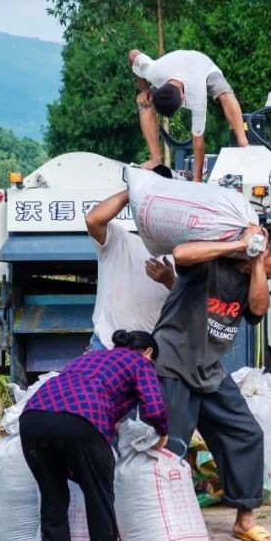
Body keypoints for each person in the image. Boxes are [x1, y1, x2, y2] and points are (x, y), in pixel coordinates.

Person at [153, 225, 271, 541]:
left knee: (247, 433)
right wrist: (238, 245)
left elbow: (258, 309)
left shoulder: (253, 281)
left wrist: (257, 261)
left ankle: (245, 520)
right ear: (267, 248)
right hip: (172, 365)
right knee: (171, 446)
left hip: (210, 371)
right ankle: (164, 523)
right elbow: (180, 254)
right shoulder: (211, 264)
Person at [19, 330, 169, 541]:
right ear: (148, 352)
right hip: (82, 421)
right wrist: (162, 432)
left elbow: (81, 391)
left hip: (33, 418)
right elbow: (154, 407)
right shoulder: (140, 362)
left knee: (53, 496)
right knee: (99, 495)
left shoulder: (88, 358)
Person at [128, 49, 248, 183]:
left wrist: (197, 180)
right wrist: (145, 89)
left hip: (204, 66)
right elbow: (133, 54)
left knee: (224, 93)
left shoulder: (197, 98)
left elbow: (198, 140)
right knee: (144, 103)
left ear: (182, 97)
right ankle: (156, 160)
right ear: (161, 87)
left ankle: (243, 142)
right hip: (175, 65)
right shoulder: (153, 72)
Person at [85, 188, 175, 351]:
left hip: (152, 351)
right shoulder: (119, 239)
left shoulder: (182, 254)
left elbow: (193, 301)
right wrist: (139, 187)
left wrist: (170, 281)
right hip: (108, 346)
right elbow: (93, 220)